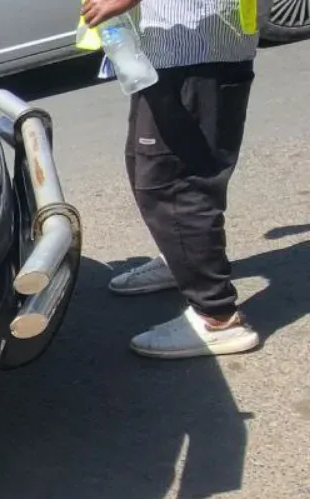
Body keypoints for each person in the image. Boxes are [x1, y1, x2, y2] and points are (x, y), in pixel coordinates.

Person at [82, 0, 260, 359]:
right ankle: (179, 262)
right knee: (145, 165)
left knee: (175, 184)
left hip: (197, 52)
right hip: (162, 50)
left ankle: (218, 317)